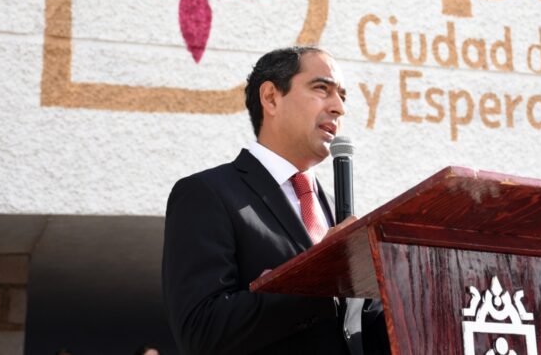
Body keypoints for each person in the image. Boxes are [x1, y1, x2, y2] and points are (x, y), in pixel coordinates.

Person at [162, 46, 389, 354]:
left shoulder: (338, 211)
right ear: (271, 97)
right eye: (322, 89)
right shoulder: (207, 194)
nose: (339, 108)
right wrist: (317, 273)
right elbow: (201, 330)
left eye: (343, 97)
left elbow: (360, 329)